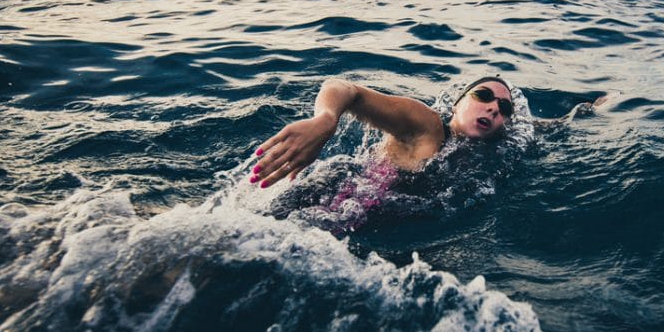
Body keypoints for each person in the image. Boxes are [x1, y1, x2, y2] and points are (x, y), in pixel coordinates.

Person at [250, 76, 605, 188]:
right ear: (456, 106)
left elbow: (548, 126)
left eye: (504, 108)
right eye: (483, 96)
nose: (495, 108)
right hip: (331, 202)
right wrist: (325, 120)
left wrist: (591, 109)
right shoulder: (427, 126)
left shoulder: (496, 143)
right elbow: (347, 90)